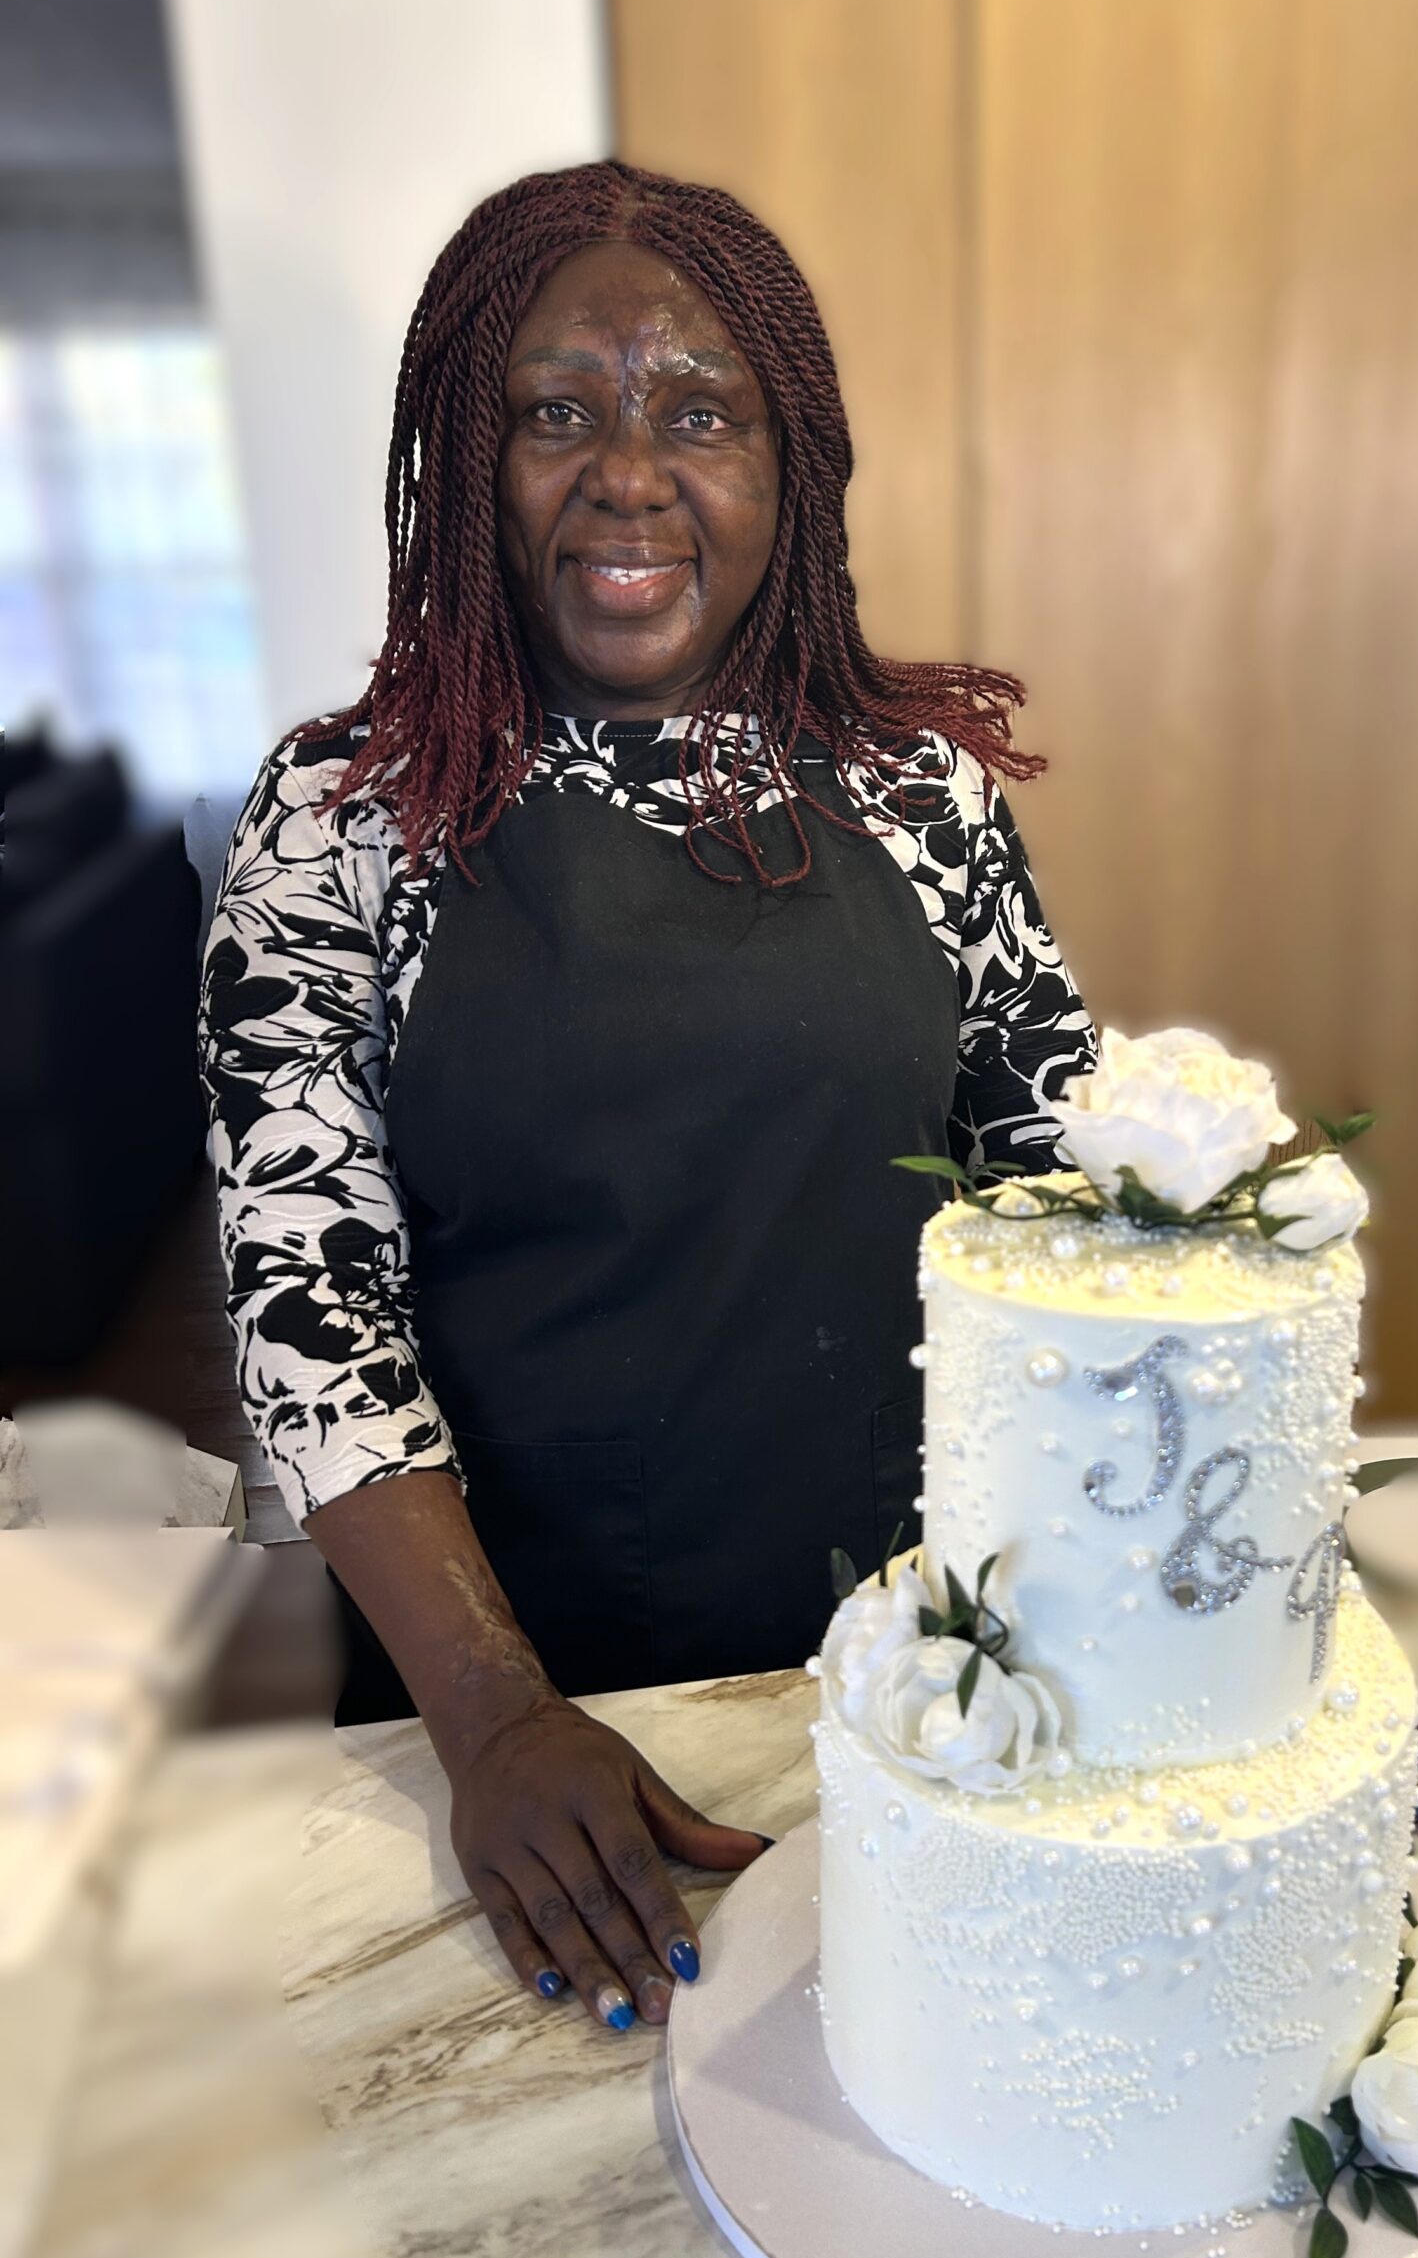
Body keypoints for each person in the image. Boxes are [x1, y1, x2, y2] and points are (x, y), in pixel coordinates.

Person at [200, 162, 1096, 2036]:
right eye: (557, 414)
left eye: (700, 413)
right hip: (521, 1706)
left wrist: (1188, 1605)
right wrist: (494, 1718)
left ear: (791, 467)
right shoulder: (341, 821)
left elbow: (1071, 1198)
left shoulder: (920, 796)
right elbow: (311, 1302)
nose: (628, 475)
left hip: (923, 1665)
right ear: (471, 463)